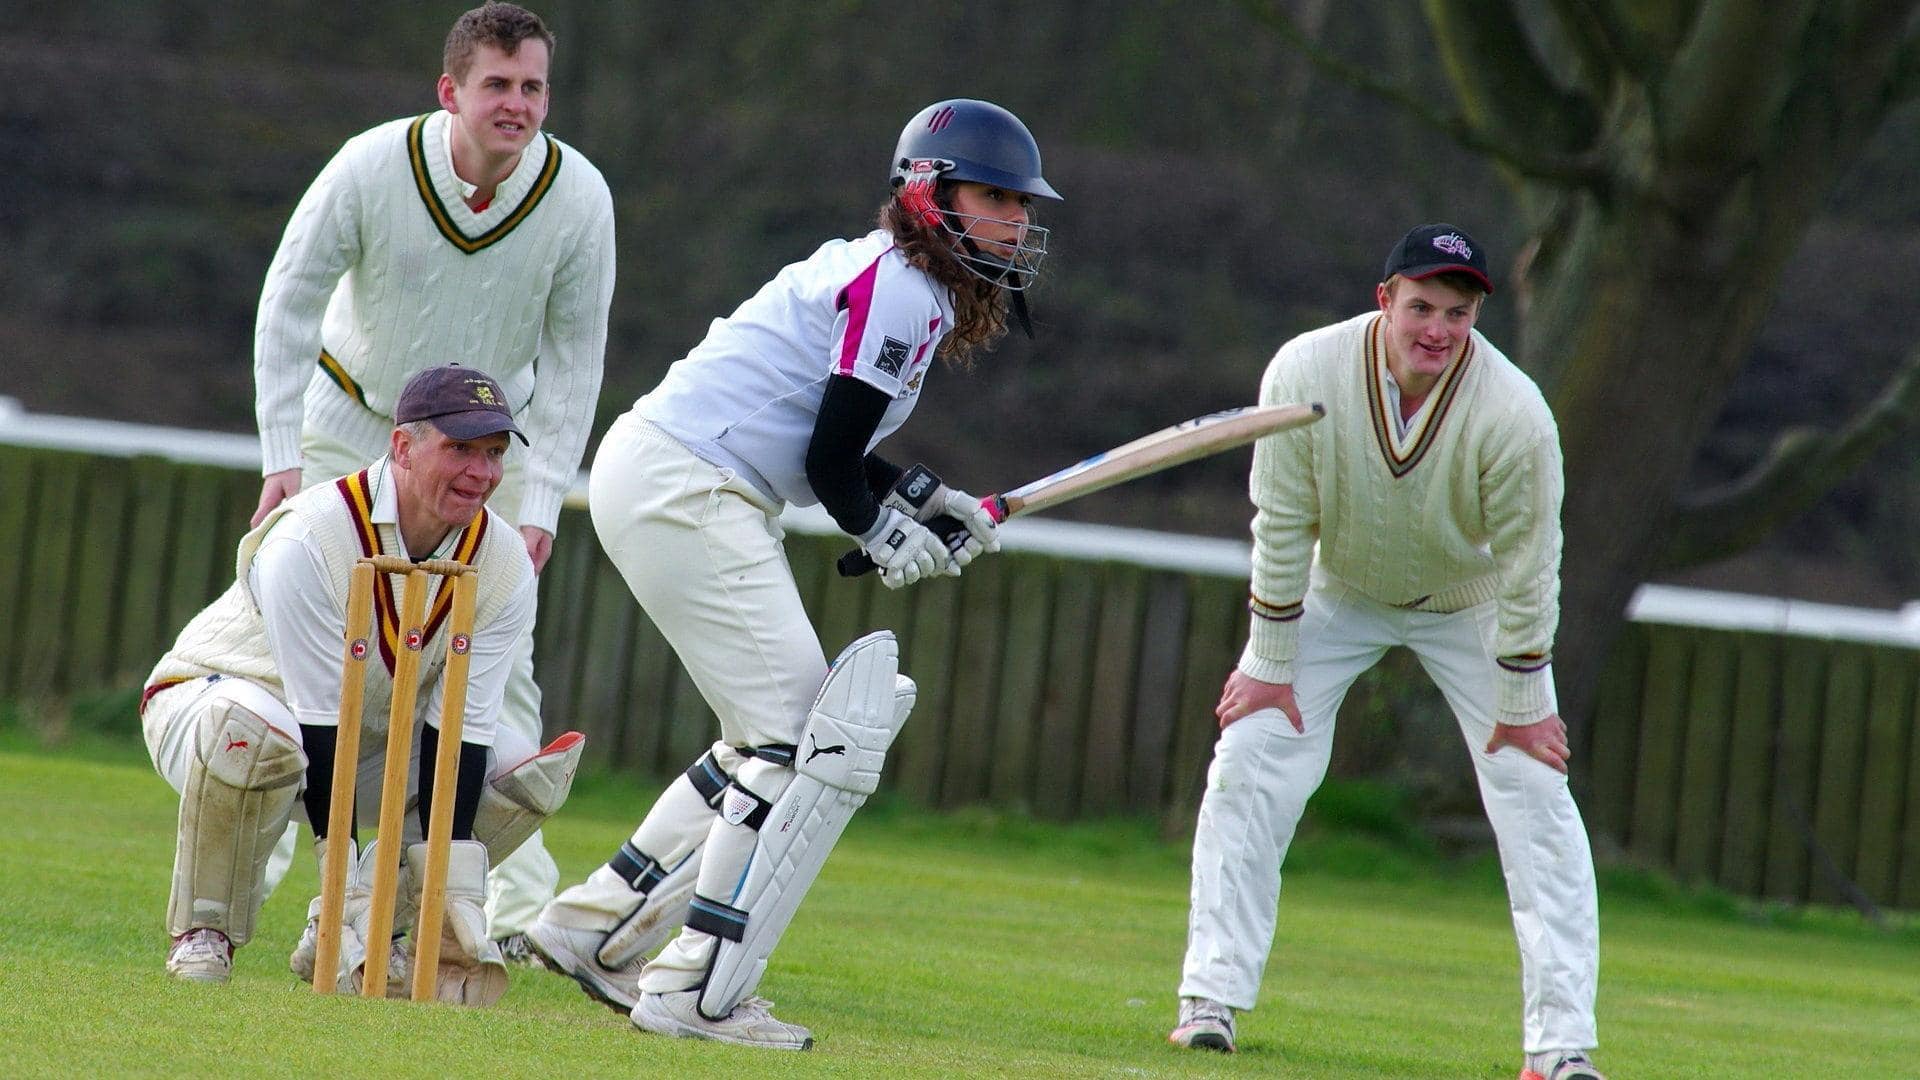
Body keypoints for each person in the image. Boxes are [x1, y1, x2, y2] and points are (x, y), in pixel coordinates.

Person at [524, 98, 1061, 1050]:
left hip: (676, 475)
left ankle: (594, 930)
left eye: (1022, 204)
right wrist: (887, 533)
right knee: (797, 741)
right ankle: (693, 987)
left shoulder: (899, 280)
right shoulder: (899, 283)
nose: (1016, 222)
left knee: (763, 738)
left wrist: (925, 499)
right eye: (995, 198)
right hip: (687, 482)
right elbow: (830, 464)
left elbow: (840, 448)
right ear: (929, 194)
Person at [1170, 225, 1604, 1080]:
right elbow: (1283, 520)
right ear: (1384, 302)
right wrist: (1267, 660)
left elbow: (1529, 563)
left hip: (1470, 604)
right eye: (1420, 308)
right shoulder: (1304, 370)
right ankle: (1208, 1001)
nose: (1437, 329)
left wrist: (1523, 704)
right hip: (1340, 588)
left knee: (1535, 796)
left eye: (1458, 312)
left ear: (1479, 315)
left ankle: (1560, 1048)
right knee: (1251, 758)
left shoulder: (1515, 417)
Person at [248, 1, 615, 953]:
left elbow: (576, 359)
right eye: (497, 85)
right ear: (451, 90)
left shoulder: (580, 196)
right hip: (352, 423)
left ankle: (488, 915)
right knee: (285, 655)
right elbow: (288, 299)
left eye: (533, 86)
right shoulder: (372, 165)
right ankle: (244, 898)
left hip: (491, 445)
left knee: (500, 664)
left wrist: (540, 502)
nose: (518, 105)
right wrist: (283, 456)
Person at [142, 365, 582, 1003]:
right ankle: (205, 930)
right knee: (260, 730)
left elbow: (458, 732)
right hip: (211, 707)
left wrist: (449, 892)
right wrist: (338, 882)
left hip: (364, 739)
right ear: (403, 447)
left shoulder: (504, 561)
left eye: (494, 454)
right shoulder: (312, 536)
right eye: (460, 450)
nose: (482, 473)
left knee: (523, 771)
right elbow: (323, 726)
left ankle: (381, 930)